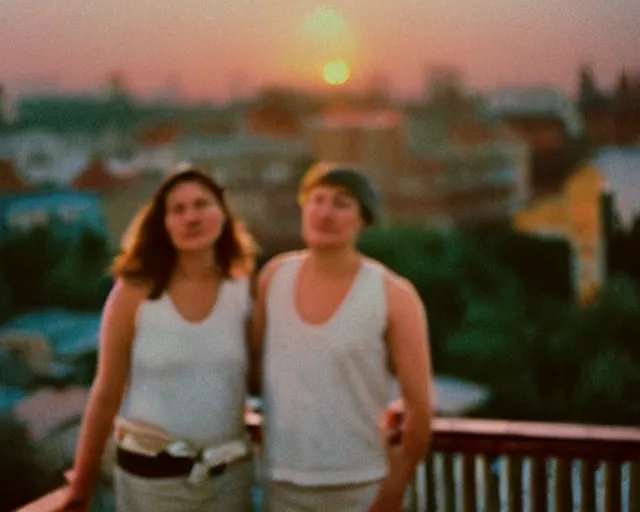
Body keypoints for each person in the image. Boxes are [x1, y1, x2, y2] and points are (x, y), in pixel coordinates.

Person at [60, 165, 257, 512]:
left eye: (201, 204)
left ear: (223, 213)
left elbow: (257, 375)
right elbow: (106, 392)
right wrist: (81, 483)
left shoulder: (243, 289)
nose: (191, 217)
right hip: (150, 482)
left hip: (229, 478)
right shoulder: (134, 293)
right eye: (177, 210)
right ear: (163, 224)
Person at [251, 163, 433, 512]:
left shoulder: (393, 294)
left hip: (361, 487)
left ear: (363, 219)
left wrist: (392, 491)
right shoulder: (274, 277)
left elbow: (420, 410)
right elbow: (253, 372)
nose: (326, 213)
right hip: (281, 484)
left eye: (342, 203)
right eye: (317, 200)